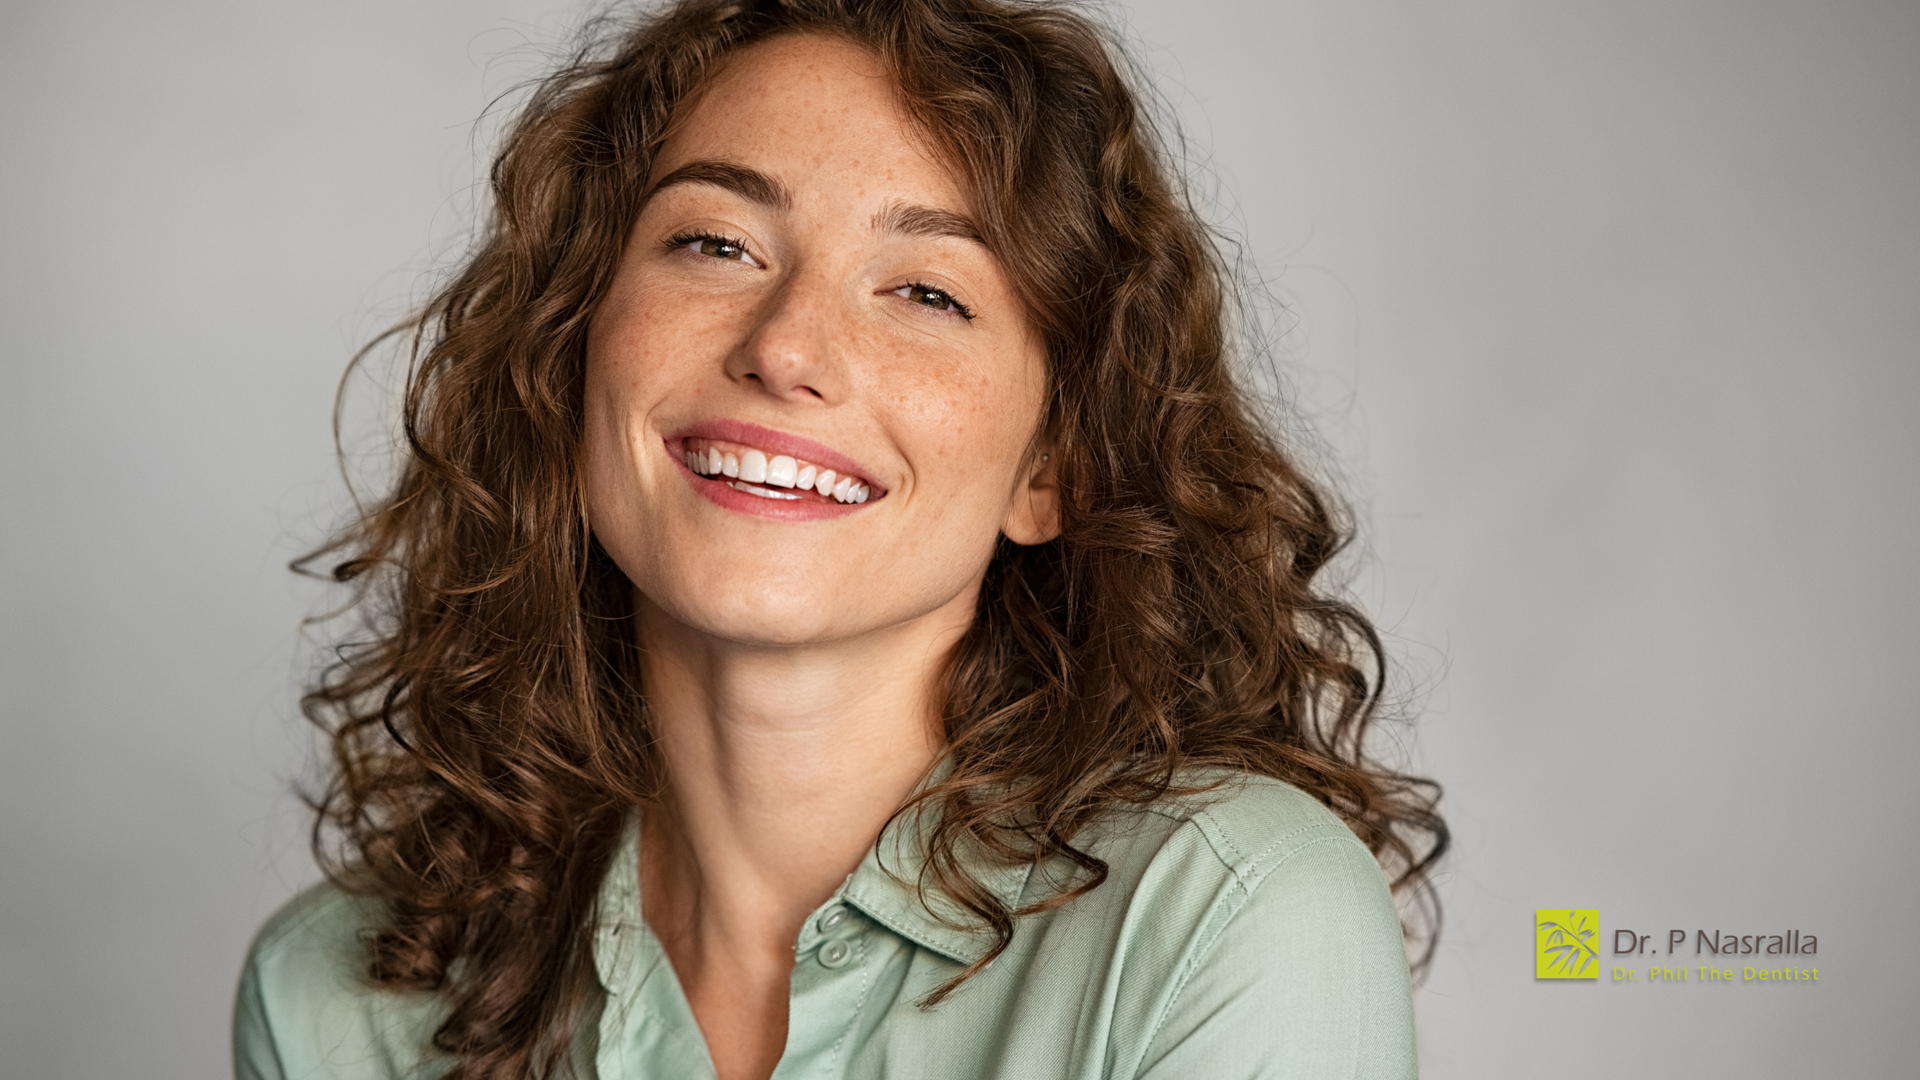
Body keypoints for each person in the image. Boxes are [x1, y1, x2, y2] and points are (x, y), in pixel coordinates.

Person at [233, 1, 1447, 1077]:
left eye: (927, 291)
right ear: (571, 353)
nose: (786, 347)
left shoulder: (1226, 917)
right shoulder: (337, 1003)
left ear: (1052, 468)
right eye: (716, 244)